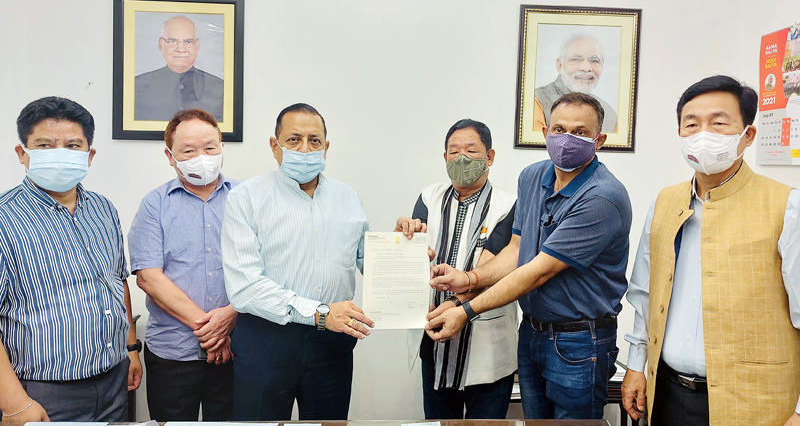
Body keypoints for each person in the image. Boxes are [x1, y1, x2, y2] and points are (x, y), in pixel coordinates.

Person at [426, 92, 632, 420]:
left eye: (580, 132)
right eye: (559, 129)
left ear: (600, 140)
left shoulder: (602, 197)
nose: (567, 139)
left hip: (579, 341)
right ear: (545, 131)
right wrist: (469, 279)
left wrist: (465, 310)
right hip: (532, 332)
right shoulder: (533, 177)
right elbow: (516, 250)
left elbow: (537, 271)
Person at [621, 75, 800, 426]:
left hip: (755, 402)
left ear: (747, 135)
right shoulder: (665, 201)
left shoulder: (785, 205)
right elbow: (645, 294)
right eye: (692, 124)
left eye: (719, 123)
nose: (703, 134)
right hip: (668, 394)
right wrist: (635, 366)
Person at [221, 103, 375, 421]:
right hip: (267, 339)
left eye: (314, 141)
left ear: (326, 148)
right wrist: (318, 313)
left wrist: (407, 249)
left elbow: (370, 262)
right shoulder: (246, 198)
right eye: (293, 140)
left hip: (331, 344)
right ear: (274, 146)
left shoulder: (349, 198)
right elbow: (244, 287)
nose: (305, 149)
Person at [0, 97, 141, 422]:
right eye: (45, 146)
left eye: (73, 145)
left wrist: (131, 349)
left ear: (89, 155)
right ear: (23, 154)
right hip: (42, 391)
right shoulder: (6, 220)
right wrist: (15, 404)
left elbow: (116, 280)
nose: (60, 154)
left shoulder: (104, 209)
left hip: (113, 380)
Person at [396, 119, 517, 419]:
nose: (461, 158)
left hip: (486, 347)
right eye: (453, 151)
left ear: (489, 157)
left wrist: (454, 302)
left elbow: (494, 271)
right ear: (445, 157)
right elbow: (415, 252)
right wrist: (404, 242)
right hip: (435, 343)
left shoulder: (509, 205)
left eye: (471, 151)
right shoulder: (429, 197)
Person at [128, 109, 238, 421]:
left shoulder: (247, 197)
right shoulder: (155, 204)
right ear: (170, 155)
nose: (201, 157)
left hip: (238, 348)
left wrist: (230, 316)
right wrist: (212, 331)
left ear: (221, 148)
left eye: (210, 147)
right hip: (173, 353)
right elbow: (149, 277)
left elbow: (265, 268)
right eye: (188, 150)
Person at [135, 15, 224, 122]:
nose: (181, 49)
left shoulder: (220, 88)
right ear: (160, 44)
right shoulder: (137, 86)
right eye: (172, 41)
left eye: (188, 42)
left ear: (197, 45)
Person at [533, 33, 618, 132]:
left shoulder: (610, 115)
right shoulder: (536, 101)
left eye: (594, 61)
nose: (586, 68)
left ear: (602, 66)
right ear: (560, 65)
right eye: (576, 59)